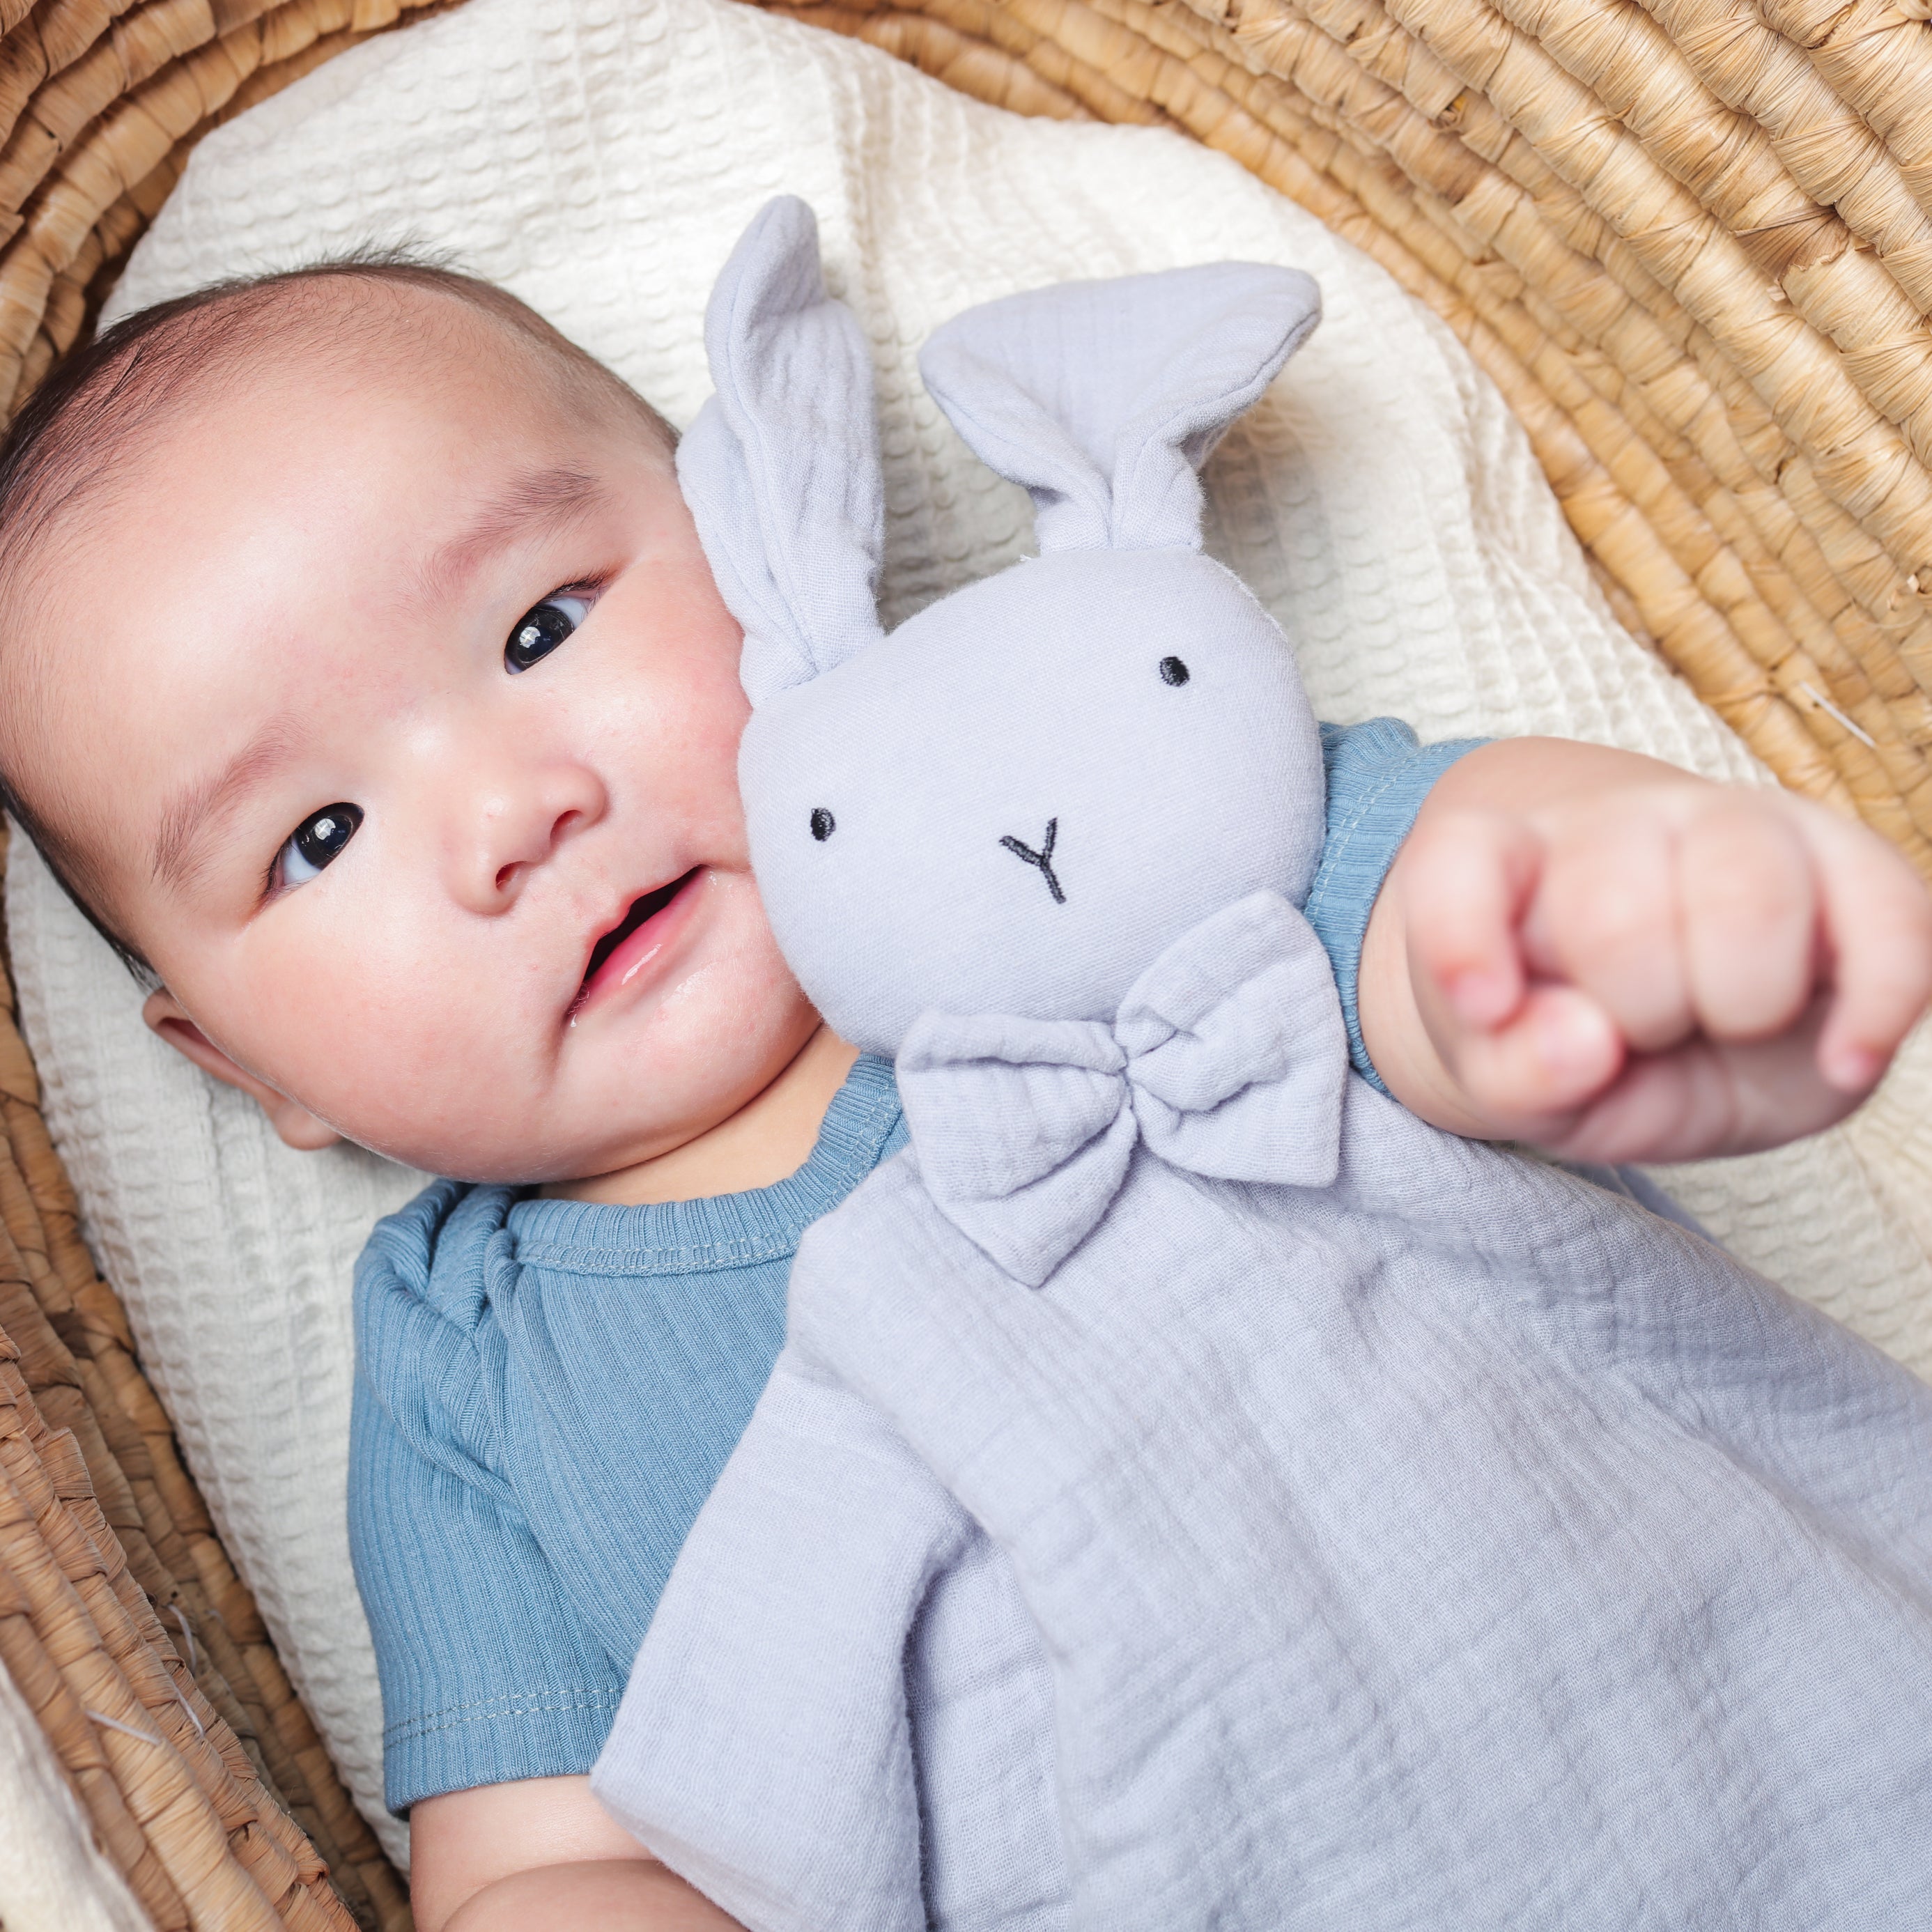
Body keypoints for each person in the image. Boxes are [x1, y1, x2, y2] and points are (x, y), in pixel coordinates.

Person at [0, 259, 1923, 1932]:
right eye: (319, 835)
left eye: (542, 630)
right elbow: (537, 1857)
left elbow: (1425, 893)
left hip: (1738, 1725)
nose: (515, 817)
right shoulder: (466, 1369)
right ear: (244, 1068)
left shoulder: (1045, 818)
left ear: (750, 531)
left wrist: (1603, 918)